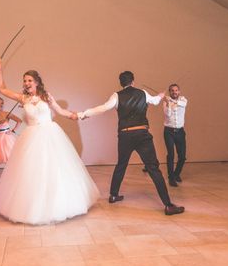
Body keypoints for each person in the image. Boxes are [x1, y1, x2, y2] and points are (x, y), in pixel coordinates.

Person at [0, 59, 99, 224]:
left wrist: (75, 115)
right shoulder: (23, 99)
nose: (26, 83)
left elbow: (60, 110)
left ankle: (57, 204)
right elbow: (2, 89)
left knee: (54, 168)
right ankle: (31, 206)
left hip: (49, 134)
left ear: (36, 82)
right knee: (31, 170)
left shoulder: (46, 96)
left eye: (29, 80)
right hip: (32, 135)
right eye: (24, 80)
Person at [78, 71, 185, 216]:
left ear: (121, 83)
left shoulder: (116, 96)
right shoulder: (142, 93)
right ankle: (168, 205)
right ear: (133, 81)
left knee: (121, 165)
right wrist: (160, 96)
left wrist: (84, 114)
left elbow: (103, 108)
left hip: (125, 135)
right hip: (142, 135)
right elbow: (155, 101)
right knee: (153, 168)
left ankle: (113, 195)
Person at [163, 84, 188, 187]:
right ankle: (171, 178)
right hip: (169, 131)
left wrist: (173, 102)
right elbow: (168, 115)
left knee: (182, 156)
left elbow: (183, 104)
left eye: (176, 90)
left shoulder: (183, 99)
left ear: (179, 91)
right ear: (170, 92)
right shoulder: (165, 102)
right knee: (171, 155)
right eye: (172, 91)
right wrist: (169, 103)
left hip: (180, 131)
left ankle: (176, 174)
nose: (174, 92)